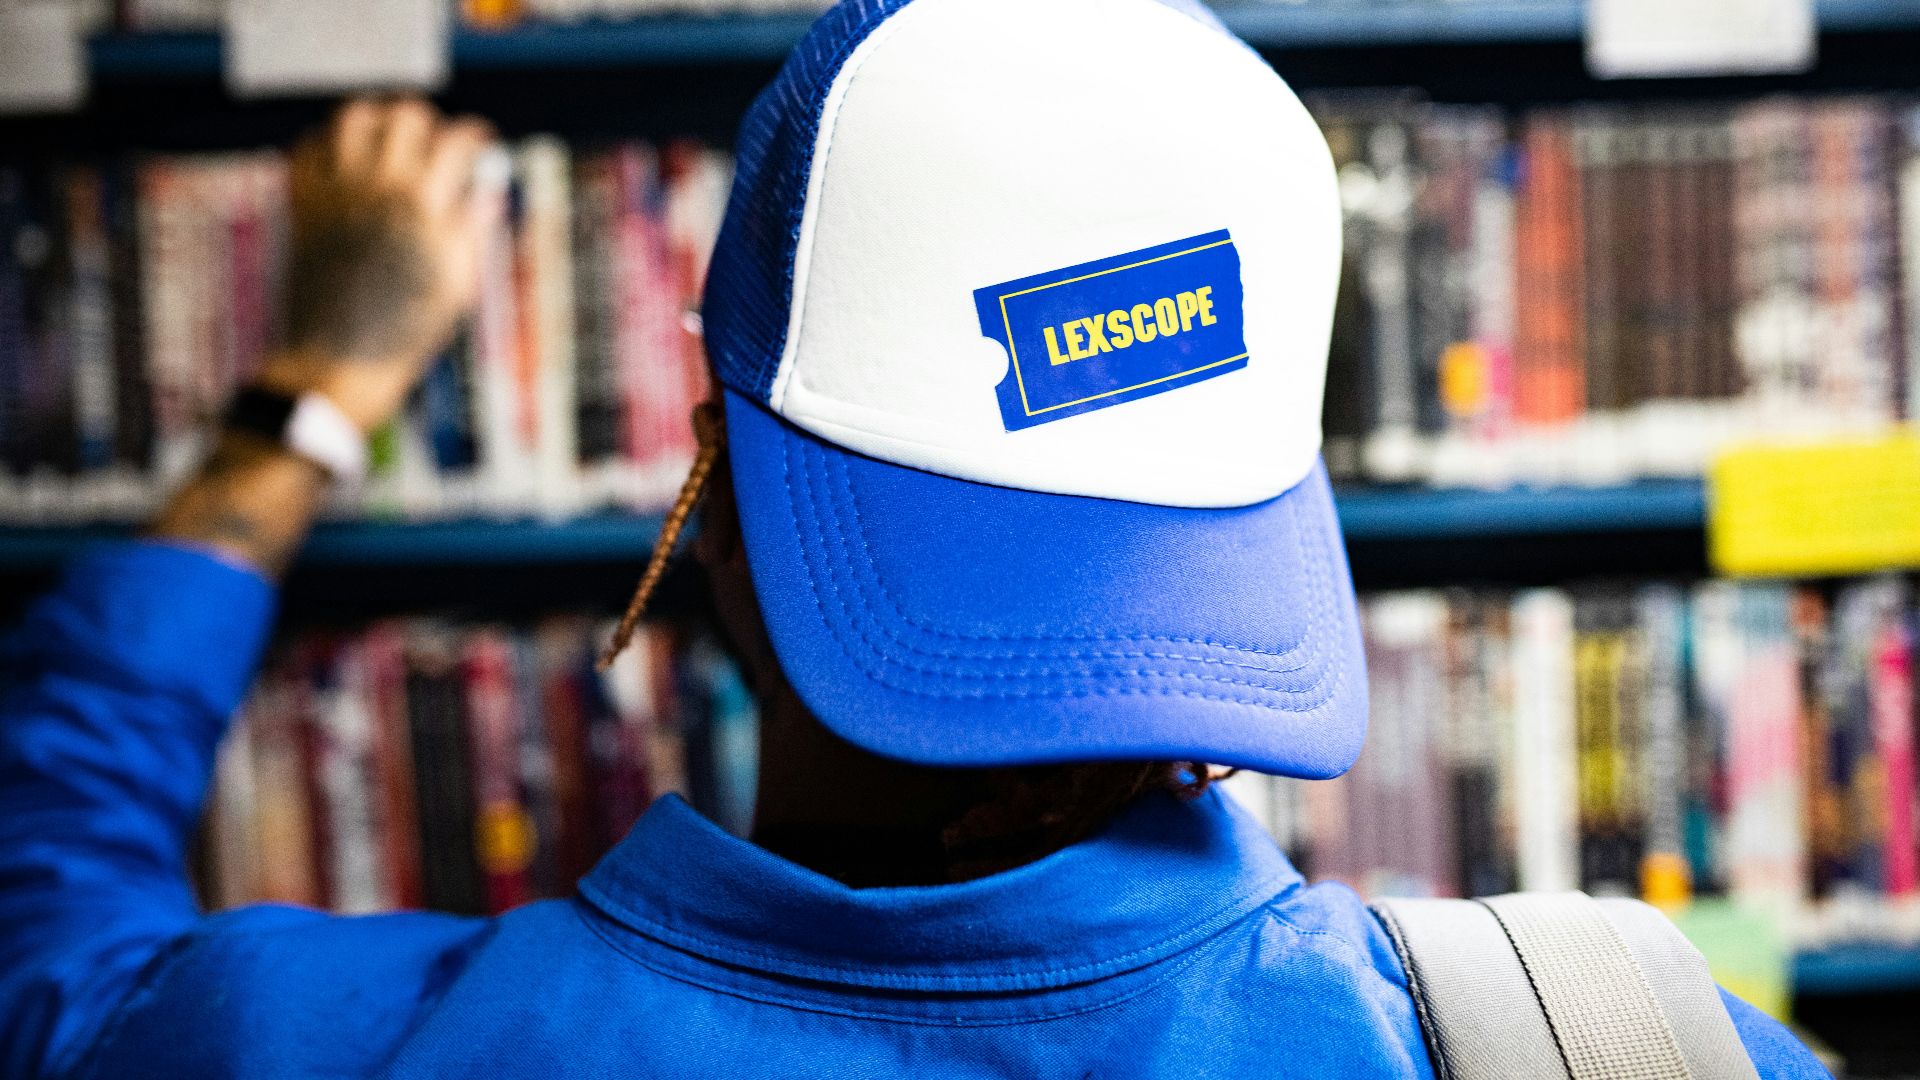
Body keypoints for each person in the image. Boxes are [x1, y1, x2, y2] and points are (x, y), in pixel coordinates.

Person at [0, 1, 1831, 1077]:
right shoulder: (1632, 1045)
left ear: (710, 495)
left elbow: (46, 914)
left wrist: (309, 393)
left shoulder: (286, 1043)